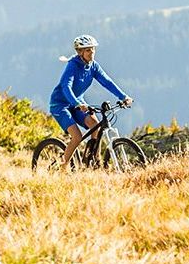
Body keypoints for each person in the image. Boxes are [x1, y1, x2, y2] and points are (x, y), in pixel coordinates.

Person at [49, 34, 133, 167]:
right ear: (80, 52)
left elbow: (107, 82)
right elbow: (66, 86)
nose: (92, 52)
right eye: (88, 50)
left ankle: (93, 158)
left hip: (78, 102)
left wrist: (123, 97)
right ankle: (63, 166)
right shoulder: (73, 65)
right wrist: (77, 104)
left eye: (93, 49)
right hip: (61, 105)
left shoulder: (93, 66)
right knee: (77, 137)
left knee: (95, 126)